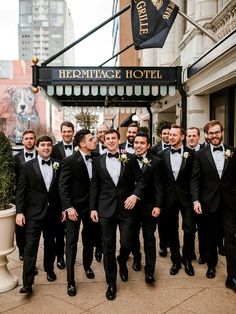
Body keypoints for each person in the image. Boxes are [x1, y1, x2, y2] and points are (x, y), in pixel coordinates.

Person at [90, 128, 145, 301]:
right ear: (104, 141)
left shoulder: (130, 158)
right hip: (105, 209)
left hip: (126, 208)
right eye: (108, 138)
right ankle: (111, 282)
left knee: (127, 241)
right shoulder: (97, 161)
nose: (111, 141)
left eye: (114, 138)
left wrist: (135, 195)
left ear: (118, 139)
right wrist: (93, 208)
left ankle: (122, 260)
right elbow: (94, 186)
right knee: (108, 246)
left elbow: (141, 180)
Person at [191, 120, 236, 291]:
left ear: (222, 132)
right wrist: (195, 200)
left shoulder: (233, 151)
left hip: (230, 204)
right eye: (211, 133)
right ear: (206, 135)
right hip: (209, 203)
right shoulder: (200, 154)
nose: (214, 136)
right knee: (210, 237)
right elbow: (194, 180)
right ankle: (211, 265)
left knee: (231, 239)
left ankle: (232, 276)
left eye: (217, 132)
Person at [15, 135, 63, 294]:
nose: (46, 147)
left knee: (51, 244)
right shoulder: (27, 166)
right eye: (42, 145)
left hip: (53, 213)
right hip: (33, 213)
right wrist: (20, 212)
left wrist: (64, 209)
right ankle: (27, 283)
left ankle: (49, 269)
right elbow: (20, 191)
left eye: (49, 145)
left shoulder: (58, 164)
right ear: (37, 147)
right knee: (30, 247)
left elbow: (62, 190)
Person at [59, 129, 97, 297]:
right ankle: (70, 280)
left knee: (89, 241)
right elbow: (63, 186)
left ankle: (88, 266)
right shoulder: (69, 161)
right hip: (74, 209)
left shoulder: (96, 159)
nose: (94, 141)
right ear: (82, 143)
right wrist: (68, 207)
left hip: (91, 209)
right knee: (71, 243)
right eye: (91, 139)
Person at [158, 124, 195, 277]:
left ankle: (187, 259)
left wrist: (195, 198)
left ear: (182, 137)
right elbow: (159, 180)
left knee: (189, 229)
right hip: (168, 198)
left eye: (174, 135)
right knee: (171, 229)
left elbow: (194, 178)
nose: (170, 137)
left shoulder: (192, 154)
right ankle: (175, 259)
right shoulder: (161, 154)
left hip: (187, 198)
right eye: (169, 135)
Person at [132, 132, 163, 283]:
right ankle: (137, 259)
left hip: (150, 206)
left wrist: (158, 205)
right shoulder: (127, 160)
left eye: (142, 143)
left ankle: (150, 271)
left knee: (149, 238)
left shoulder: (156, 162)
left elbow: (159, 186)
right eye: (136, 142)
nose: (138, 145)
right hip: (131, 207)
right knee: (132, 236)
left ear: (148, 145)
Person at [51, 121, 75, 270]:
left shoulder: (80, 147)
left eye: (69, 131)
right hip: (60, 194)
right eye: (64, 131)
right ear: (61, 133)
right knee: (59, 229)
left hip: (78, 194)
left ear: (73, 132)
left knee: (74, 230)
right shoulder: (54, 149)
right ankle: (60, 256)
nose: (66, 134)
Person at [14, 129, 37, 262]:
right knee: (21, 229)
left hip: (37, 200)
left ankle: (30, 256)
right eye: (26, 138)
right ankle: (22, 251)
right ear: (23, 141)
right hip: (22, 198)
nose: (29, 141)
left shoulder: (41, 155)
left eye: (31, 138)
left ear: (35, 140)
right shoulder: (16, 158)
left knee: (33, 232)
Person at [150, 122, 172, 257]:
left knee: (172, 220)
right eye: (164, 133)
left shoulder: (182, 149)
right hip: (160, 189)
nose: (167, 136)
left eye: (169, 133)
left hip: (174, 190)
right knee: (162, 220)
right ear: (160, 135)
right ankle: (163, 245)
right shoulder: (154, 149)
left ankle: (171, 241)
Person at [186, 127, 206, 264]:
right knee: (189, 227)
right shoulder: (183, 152)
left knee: (203, 227)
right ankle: (190, 253)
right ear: (185, 137)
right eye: (189, 136)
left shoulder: (205, 151)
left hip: (203, 195)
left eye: (194, 135)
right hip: (186, 196)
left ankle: (204, 254)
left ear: (199, 137)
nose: (191, 138)